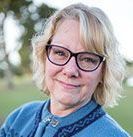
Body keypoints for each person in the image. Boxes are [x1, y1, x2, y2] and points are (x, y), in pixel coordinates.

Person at [0, 3, 131, 137]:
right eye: (60, 53)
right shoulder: (19, 119)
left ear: (103, 72)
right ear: (44, 56)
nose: (70, 71)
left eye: (87, 59)